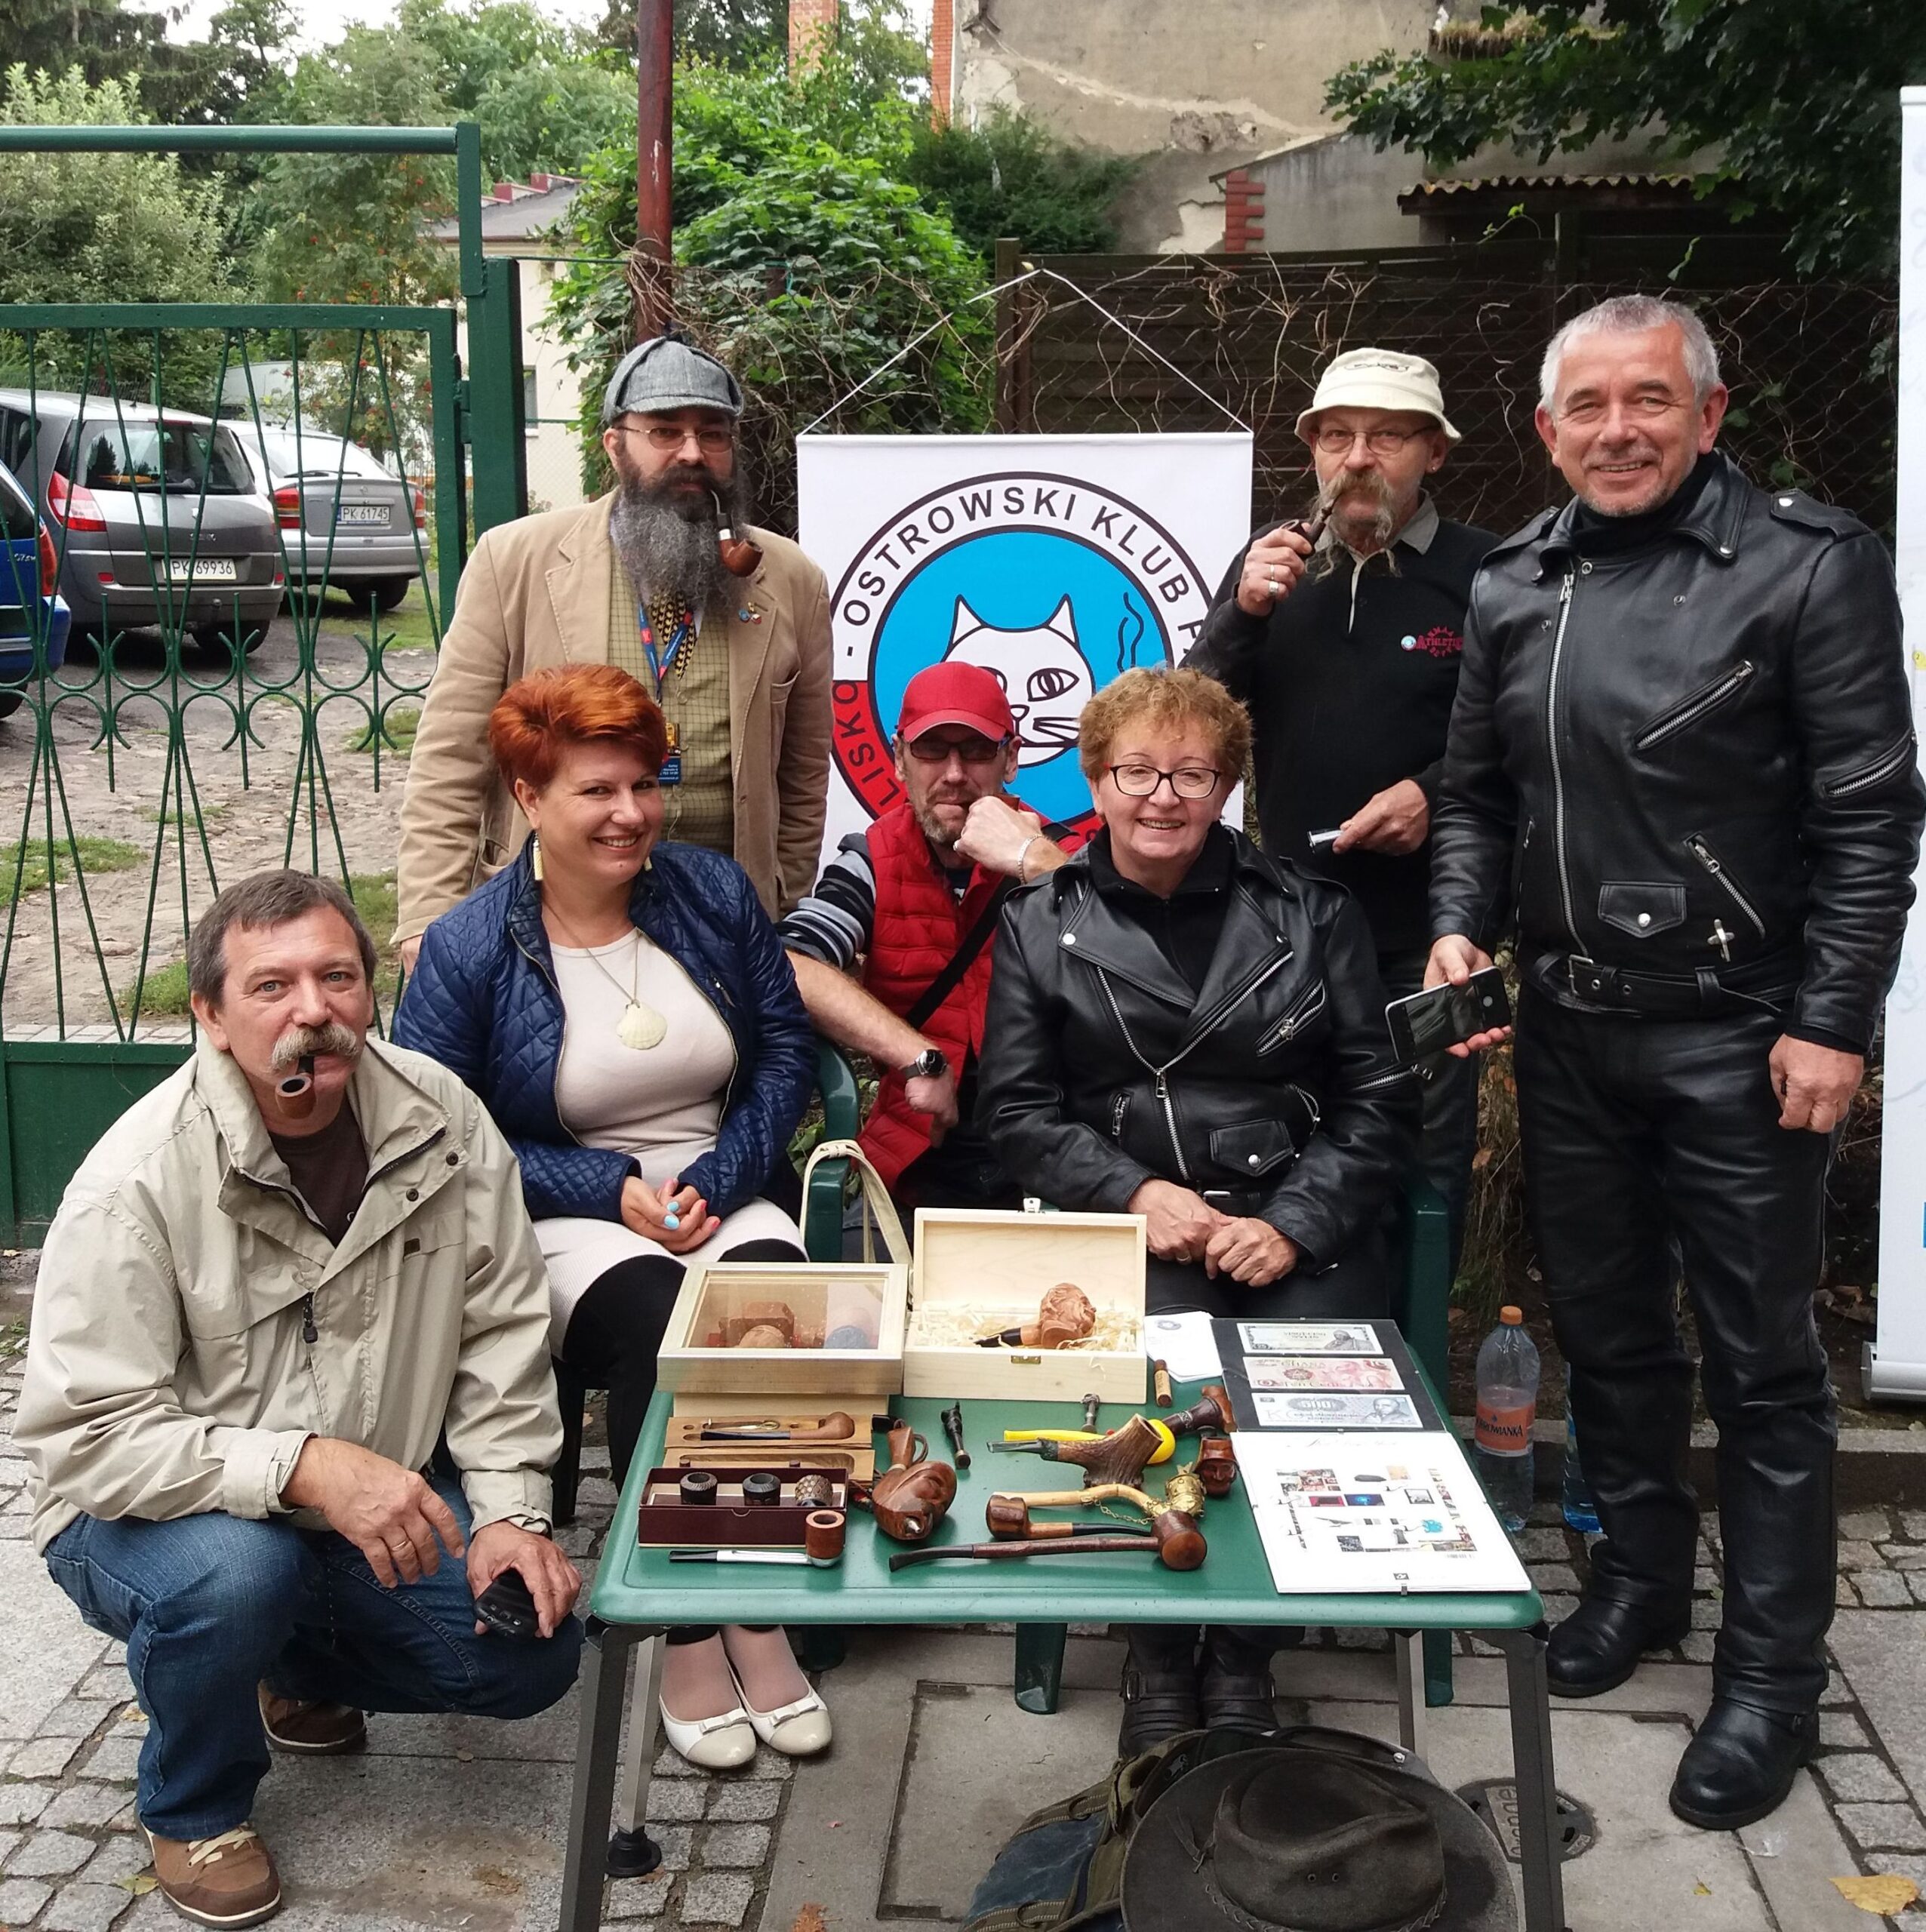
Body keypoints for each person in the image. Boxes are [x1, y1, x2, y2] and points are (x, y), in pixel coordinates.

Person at [1427, 294, 1926, 1832]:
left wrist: (1832, 1018)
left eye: (1648, 400)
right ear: (1545, 431)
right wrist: (1454, 929)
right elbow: (1473, 796)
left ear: (1708, 414)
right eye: (1587, 406)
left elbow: (1869, 814)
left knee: (1764, 1366)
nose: (1618, 430)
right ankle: (1637, 1585)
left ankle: (1770, 1678)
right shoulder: (1515, 582)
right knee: (1608, 1335)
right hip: (1569, 1028)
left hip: (1743, 1032)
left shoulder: (1806, 565)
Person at [16, 870, 582, 1930]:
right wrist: (304, 1465)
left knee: (530, 1652)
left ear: (371, 992)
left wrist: (510, 1510)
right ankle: (195, 1806)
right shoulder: (137, 1179)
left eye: (337, 977)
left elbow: (501, 1329)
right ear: (209, 1013)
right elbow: (85, 1436)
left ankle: (288, 1662)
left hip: (354, 1506)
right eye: (270, 986)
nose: (312, 1011)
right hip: (139, 1515)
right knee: (238, 1574)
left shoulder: (443, 1118)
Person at [395, 663, 832, 1774]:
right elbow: (441, 1134)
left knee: (765, 1315)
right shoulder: (468, 948)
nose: (629, 813)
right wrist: (607, 1189)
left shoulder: (711, 892)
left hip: (718, 1183)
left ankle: (756, 1609)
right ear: (528, 797)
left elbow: (784, 1049)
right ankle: (682, 1628)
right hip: (553, 1208)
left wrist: (722, 1176)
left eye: (643, 785)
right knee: (657, 1324)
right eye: (595, 790)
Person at [977, 666, 1414, 1755]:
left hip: (1293, 1221)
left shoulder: (1313, 910)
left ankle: (1248, 1652)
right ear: (1095, 781)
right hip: (1130, 1225)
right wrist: (1131, 1192)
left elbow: (1377, 1099)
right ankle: (1162, 1651)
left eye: (1191, 773)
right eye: (1136, 771)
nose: (1162, 796)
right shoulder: (1039, 922)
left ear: (1226, 787)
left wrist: (1295, 1222)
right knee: (1153, 1399)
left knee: (1305, 1394)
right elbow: (1017, 1112)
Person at [1188, 348, 1495, 1272]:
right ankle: (1308, 1330)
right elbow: (1188, 723)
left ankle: (1420, 1343)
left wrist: (1430, 793)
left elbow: (1529, 738)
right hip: (1288, 935)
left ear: (1433, 452)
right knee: (1289, 1145)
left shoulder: (1487, 574)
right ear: (1312, 451)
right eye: (1335, 437)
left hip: (1431, 941)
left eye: (1386, 437)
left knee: (1427, 1158)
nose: (1357, 458)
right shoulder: (1271, 569)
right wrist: (1241, 612)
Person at [395, 332, 832, 962]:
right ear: (614, 444)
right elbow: (451, 755)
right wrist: (429, 916)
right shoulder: (514, 561)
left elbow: (803, 771)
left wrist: (781, 902)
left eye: (713, 434)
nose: (692, 453)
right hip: (547, 922)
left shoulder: (791, 579)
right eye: (664, 431)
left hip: (727, 925)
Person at [777, 660, 1069, 1212]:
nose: (954, 774)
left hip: (1054, 1142)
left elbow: (1131, 961)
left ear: (1011, 758)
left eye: (976, 750)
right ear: (898, 758)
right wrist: (918, 1054)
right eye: (932, 749)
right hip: (920, 1146)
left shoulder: (1056, 856)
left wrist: (1035, 862)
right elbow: (790, 966)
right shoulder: (870, 860)